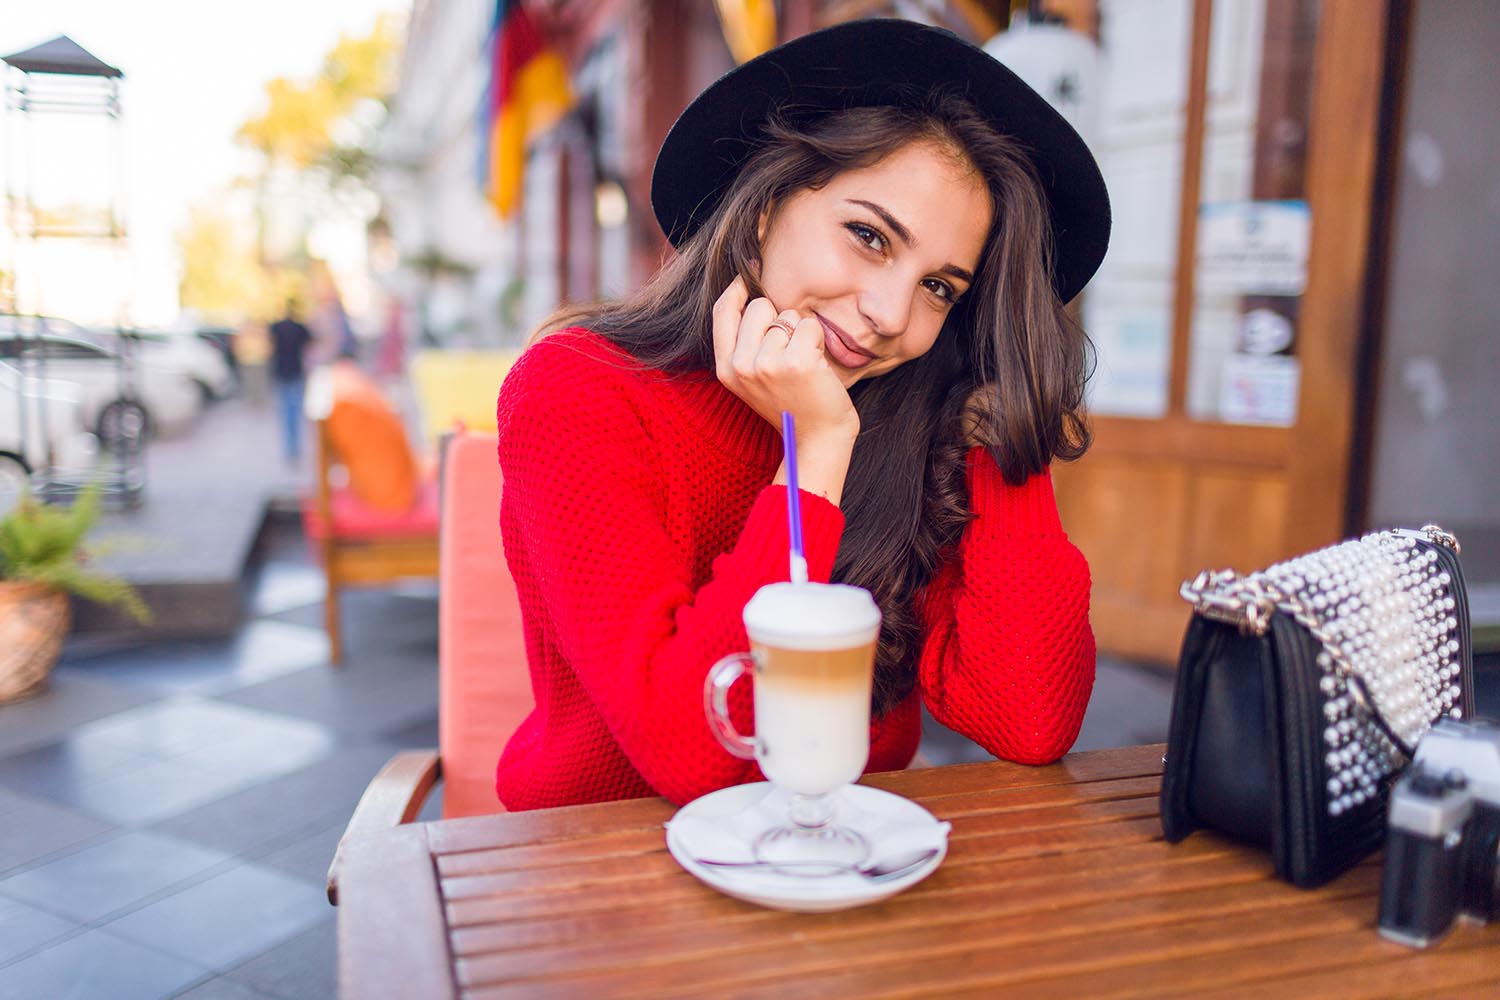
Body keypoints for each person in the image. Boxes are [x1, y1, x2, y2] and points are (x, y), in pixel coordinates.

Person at [494, 19, 1111, 811]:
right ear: (763, 208)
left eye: (939, 288)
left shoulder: (913, 419)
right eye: (869, 236)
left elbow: (1030, 719)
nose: (891, 313)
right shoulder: (579, 391)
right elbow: (692, 749)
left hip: (842, 855)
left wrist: (1002, 428)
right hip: (606, 857)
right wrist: (815, 455)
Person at [268, 300, 314, 464]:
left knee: (286, 412)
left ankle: (290, 447)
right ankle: (293, 447)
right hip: (294, 371)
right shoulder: (299, 328)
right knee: (293, 411)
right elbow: (311, 343)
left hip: (283, 372)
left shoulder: (276, 327)